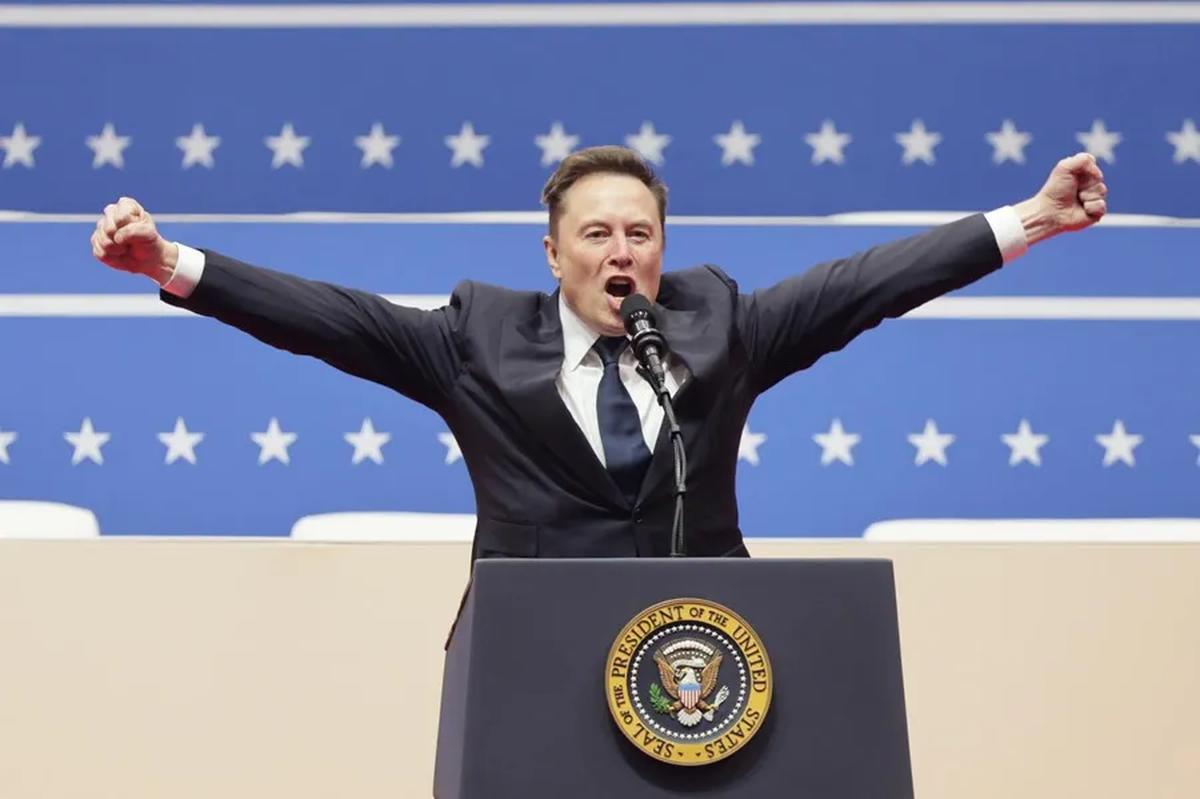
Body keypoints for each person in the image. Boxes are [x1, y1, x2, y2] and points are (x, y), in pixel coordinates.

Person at [91, 145, 1107, 563]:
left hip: (706, 654)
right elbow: (327, 317)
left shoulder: (722, 326)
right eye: (596, 234)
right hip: (533, 656)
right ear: (552, 254)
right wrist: (168, 262)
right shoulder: (476, 340)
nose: (621, 252)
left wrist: (1032, 216)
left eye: (639, 234)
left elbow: (867, 283)